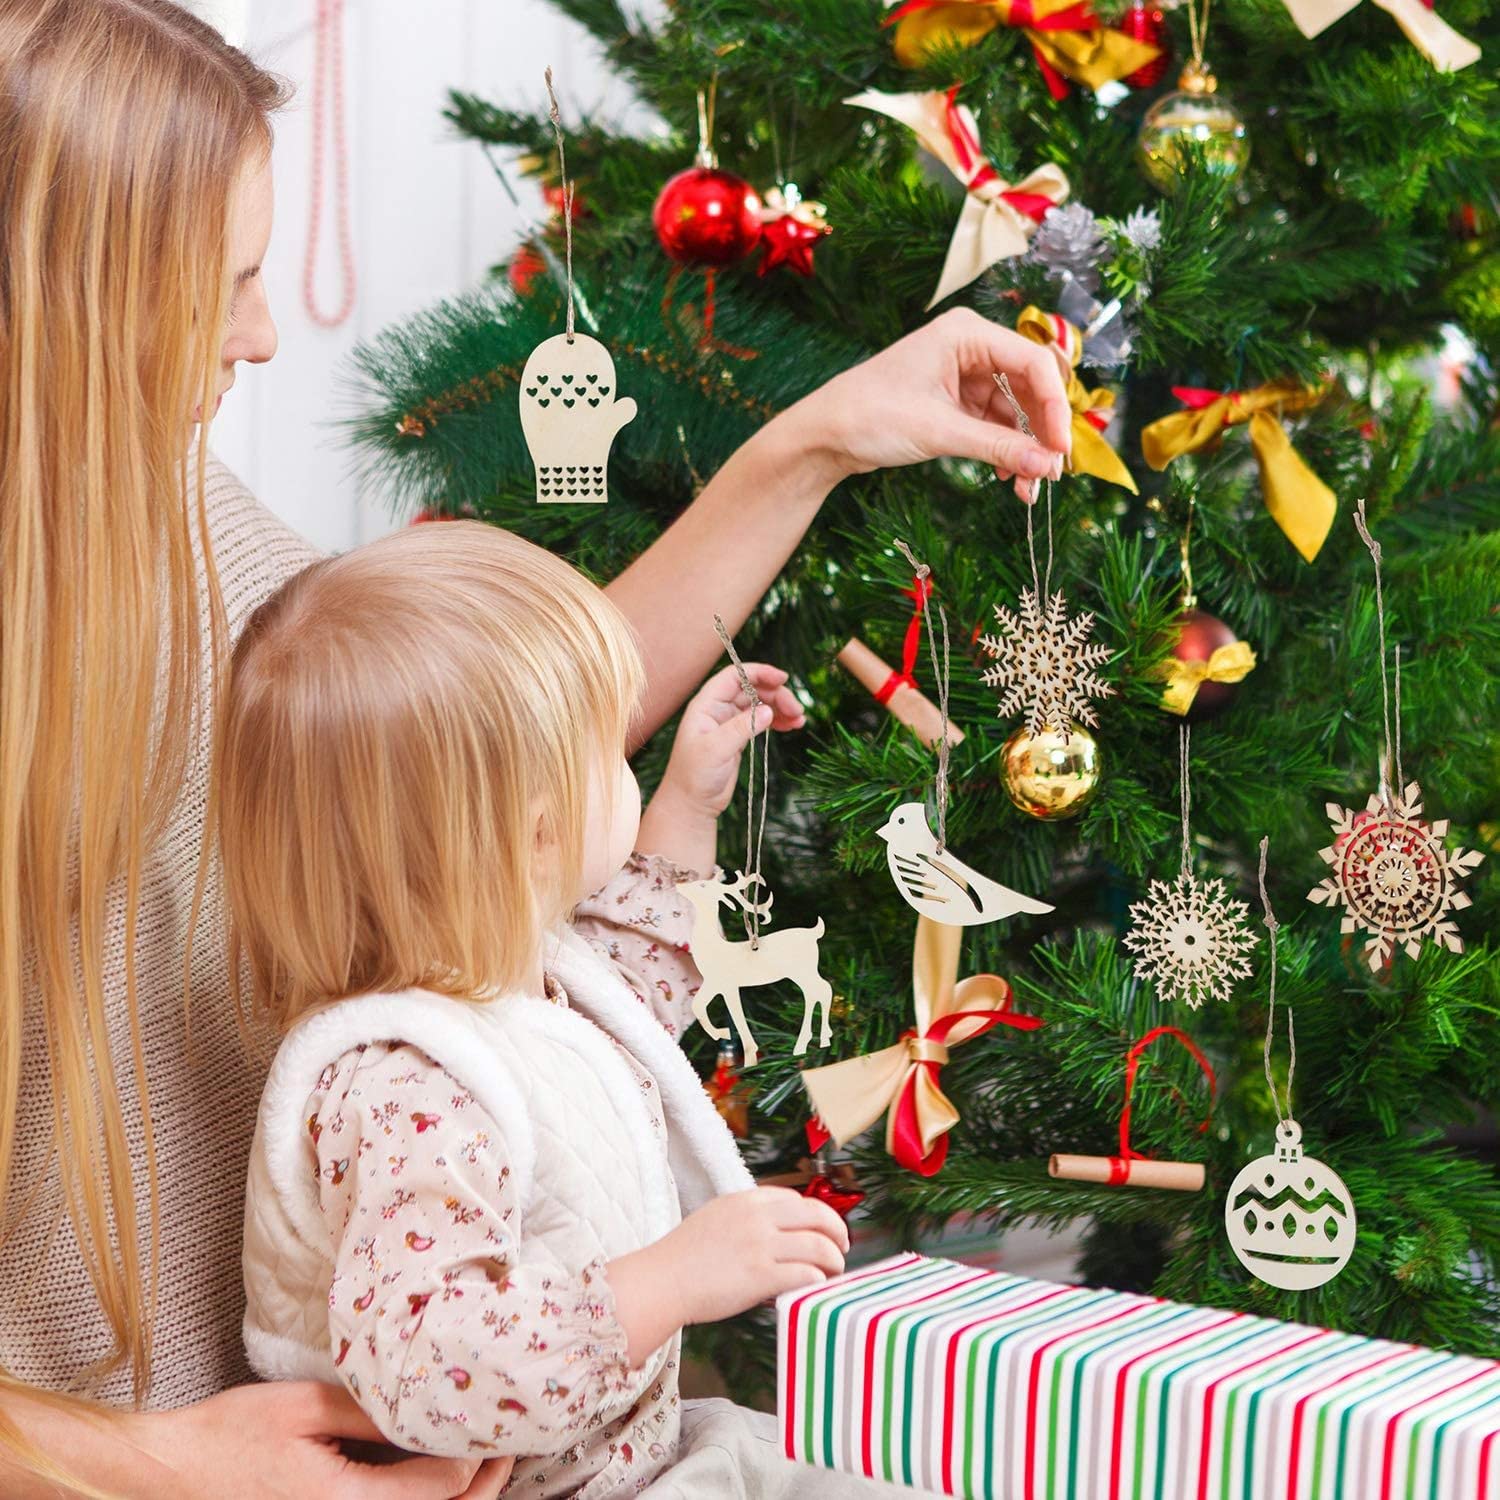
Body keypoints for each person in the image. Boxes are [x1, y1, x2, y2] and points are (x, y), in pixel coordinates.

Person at [0, 2, 1068, 1496]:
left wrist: (813, 441)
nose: (258, 333)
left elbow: (477, 733)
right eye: (220, 282)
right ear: (63, 296)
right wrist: (150, 1464)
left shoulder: (173, 516)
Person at [223, 521, 916, 1498]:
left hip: (636, 1449)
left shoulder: (508, 977)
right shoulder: (409, 1089)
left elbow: (625, 995)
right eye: (613, 750)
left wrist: (689, 800)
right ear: (538, 833)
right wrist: (673, 1279)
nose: (628, 764)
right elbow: (431, 1367)